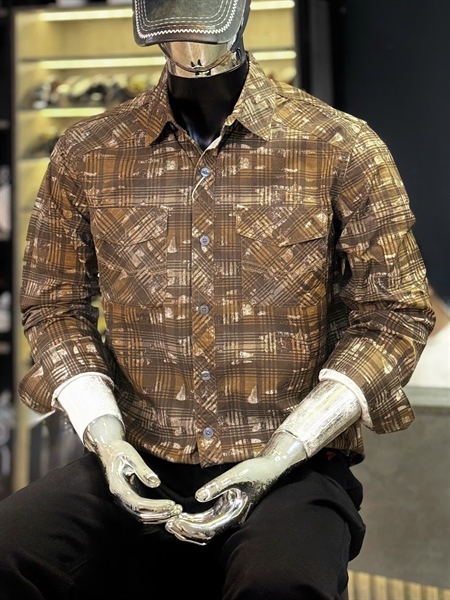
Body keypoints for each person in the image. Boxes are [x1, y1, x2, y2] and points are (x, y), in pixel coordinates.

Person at [0, 1, 434, 598]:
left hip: (291, 466)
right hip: (140, 455)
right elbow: (54, 304)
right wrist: (106, 436)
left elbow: (396, 313)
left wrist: (285, 451)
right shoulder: (88, 151)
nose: (192, 47)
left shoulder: (339, 145)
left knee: (279, 586)